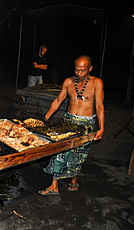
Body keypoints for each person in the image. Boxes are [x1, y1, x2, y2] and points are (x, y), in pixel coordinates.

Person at [38, 55, 105, 196]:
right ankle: (54, 185)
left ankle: (74, 180)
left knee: (78, 155)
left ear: (90, 69)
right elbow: (58, 100)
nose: (79, 73)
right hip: (68, 121)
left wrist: (101, 127)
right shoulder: (68, 82)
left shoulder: (97, 83)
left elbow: (99, 106)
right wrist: (46, 117)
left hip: (86, 123)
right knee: (60, 152)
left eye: (83, 70)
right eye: (77, 70)